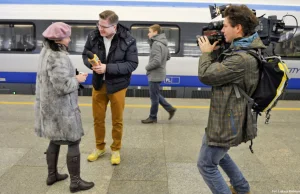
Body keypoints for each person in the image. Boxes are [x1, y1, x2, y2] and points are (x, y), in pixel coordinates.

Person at [197, 5, 266, 194]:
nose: (221, 30)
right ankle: (242, 188)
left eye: (225, 26)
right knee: (218, 155)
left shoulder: (241, 58)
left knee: (206, 164)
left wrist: (205, 53)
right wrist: (217, 50)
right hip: (226, 115)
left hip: (226, 119)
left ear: (238, 28)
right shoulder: (242, 49)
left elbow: (206, 75)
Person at [34, 22, 94, 193]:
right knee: (73, 140)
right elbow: (62, 86)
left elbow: (53, 79)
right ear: (59, 39)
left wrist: (72, 75)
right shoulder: (58, 57)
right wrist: (78, 79)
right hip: (62, 109)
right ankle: (75, 182)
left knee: (54, 139)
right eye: (67, 36)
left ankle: (52, 175)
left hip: (49, 106)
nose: (69, 39)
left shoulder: (46, 52)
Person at [82, 10, 138, 165]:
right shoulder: (93, 36)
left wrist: (107, 68)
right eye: (99, 25)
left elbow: (132, 64)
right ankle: (99, 147)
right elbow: (85, 54)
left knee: (117, 120)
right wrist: (91, 64)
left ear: (115, 27)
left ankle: (116, 149)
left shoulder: (128, 40)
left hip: (118, 86)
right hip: (99, 84)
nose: (100, 29)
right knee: (98, 119)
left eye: (104, 27)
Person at [141, 24, 177, 124]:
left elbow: (157, 61)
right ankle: (170, 109)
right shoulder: (163, 43)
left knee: (154, 97)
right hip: (160, 72)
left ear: (155, 32)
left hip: (155, 74)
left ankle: (153, 117)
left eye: (149, 32)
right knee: (155, 94)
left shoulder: (156, 44)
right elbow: (168, 56)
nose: (148, 34)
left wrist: (147, 67)